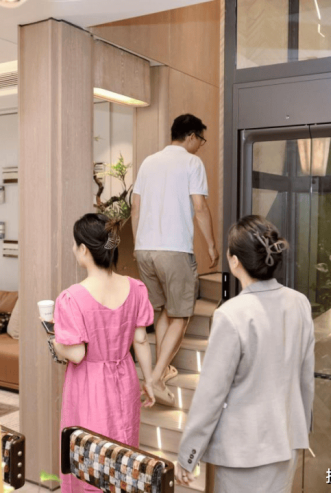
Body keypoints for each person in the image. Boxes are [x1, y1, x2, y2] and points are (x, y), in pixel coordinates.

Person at [175, 215, 315, 493]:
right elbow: (305, 379)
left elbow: (211, 395)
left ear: (235, 261)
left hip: (243, 452)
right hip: (286, 442)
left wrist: (188, 455)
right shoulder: (299, 303)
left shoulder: (231, 314)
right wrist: (301, 428)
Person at [51, 213, 157, 493]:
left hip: (89, 385)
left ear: (84, 249)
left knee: (90, 456)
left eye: (75, 245)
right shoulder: (136, 288)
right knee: (124, 452)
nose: (73, 249)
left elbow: (76, 353)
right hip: (125, 378)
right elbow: (141, 340)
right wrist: (149, 380)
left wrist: (54, 340)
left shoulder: (72, 298)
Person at [131, 113, 219, 405]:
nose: (200, 146)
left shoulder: (148, 162)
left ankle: (163, 368)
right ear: (191, 136)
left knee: (161, 313)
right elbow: (200, 207)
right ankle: (155, 378)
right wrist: (211, 245)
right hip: (174, 250)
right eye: (201, 140)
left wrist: (138, 245)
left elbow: (135, 208)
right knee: (180, 315)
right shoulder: (192, 163)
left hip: (145, 250)